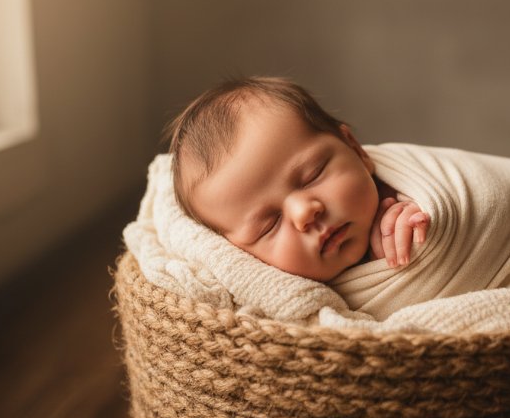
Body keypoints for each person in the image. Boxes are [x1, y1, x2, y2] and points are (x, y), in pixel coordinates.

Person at [167, 76, 430, 283]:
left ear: (355, 149)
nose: (304, 212)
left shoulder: (402, 195)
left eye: (312, 176)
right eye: (269, 225)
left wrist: (419, 226)